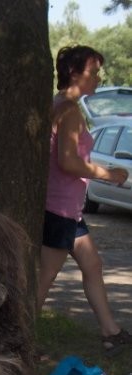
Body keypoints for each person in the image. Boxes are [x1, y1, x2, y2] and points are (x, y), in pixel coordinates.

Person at [37, 45, 131, 357]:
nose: (98, 77)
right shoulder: (69, 111)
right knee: (44, 279)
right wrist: (109, 174)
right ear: (75, 74)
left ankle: (111, 332)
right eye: (93, 71)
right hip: (59, 209)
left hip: (71, 211)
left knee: (93, 264)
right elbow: (68, 162)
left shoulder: (62, 105)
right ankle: (18, 341)